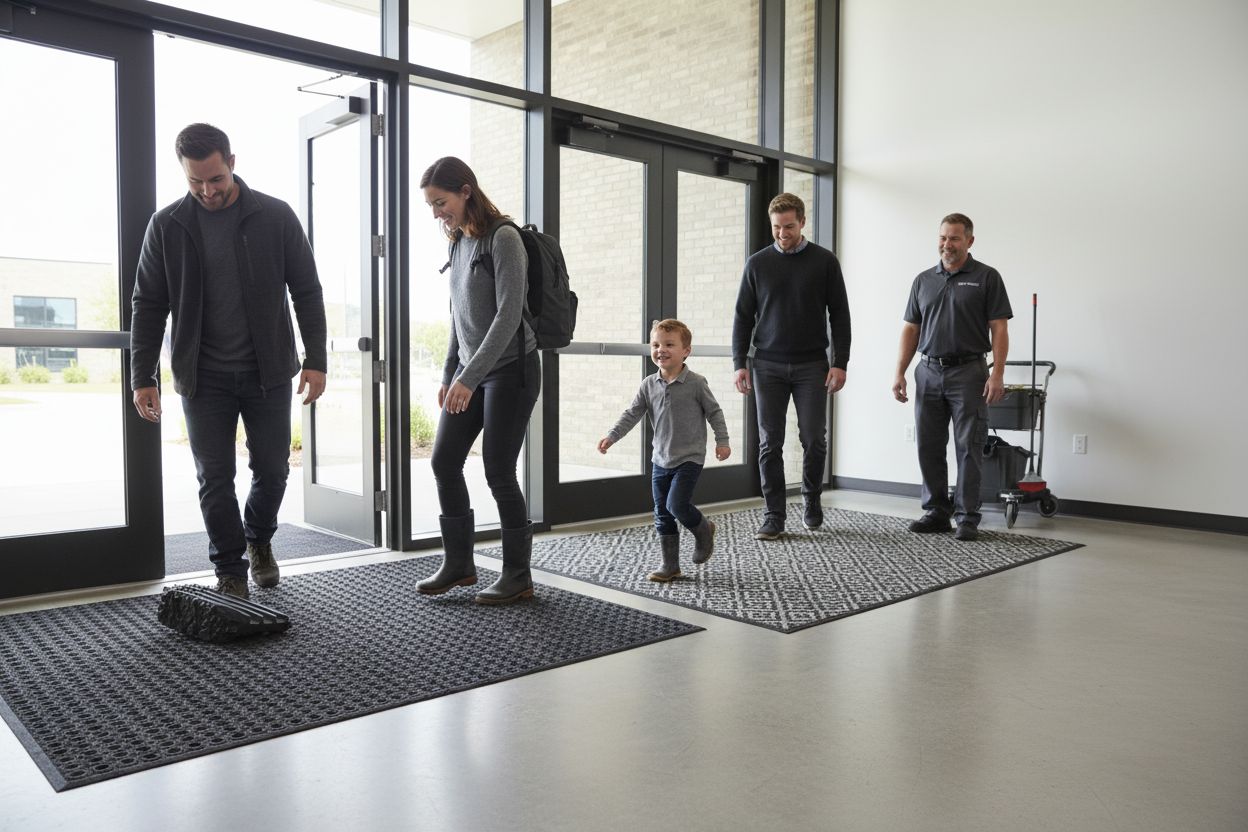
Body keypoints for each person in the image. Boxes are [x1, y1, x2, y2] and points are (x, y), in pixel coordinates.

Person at [131, 123, 327, 599]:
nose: (207, 190)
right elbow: (148, 303)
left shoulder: (275, 216)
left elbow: (306, 290)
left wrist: (316, 358)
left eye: (215, 179)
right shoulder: (168, 225)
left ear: (232, 163)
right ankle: (230, 569)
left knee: (274, 468)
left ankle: (258, 539)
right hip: (204, 378)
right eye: (195, 181)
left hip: (269, 372)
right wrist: (143, 375)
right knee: (214, 477)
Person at [416, 156, 541, 605]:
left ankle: (517, 576)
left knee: (498, 470)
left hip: (513, 371)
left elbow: (508, 316)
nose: (436, 213)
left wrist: (469, 377)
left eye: (441, 202)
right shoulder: (458, 244)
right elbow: (459, 318)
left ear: (466, 191)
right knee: (444, 461)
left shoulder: (503, 239)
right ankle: (459, 564)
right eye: (431, 205)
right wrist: (451, 374)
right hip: (473, 373)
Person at [732, 192, 851, 541]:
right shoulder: (756, 264)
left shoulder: (824, 262)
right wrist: (740, 363)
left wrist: (839, 363)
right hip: (766, 365)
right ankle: (774, 514)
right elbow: (742, 317)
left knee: (814, 438)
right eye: (776, 228)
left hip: (812, 364)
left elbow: (840, 315)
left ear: (802, 222)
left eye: (788, 226)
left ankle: (812, 499)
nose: (782, 234)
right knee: (770, 442)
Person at [892, 213, 1012, 542]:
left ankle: (967, 516)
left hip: (970, 372)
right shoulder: (923, 280)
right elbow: (911, 328)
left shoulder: (987, 278)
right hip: (928, 370)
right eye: (943, 237)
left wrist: (997, 372)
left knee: (969, 446)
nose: (947, 244)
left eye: (955, 238)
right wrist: (900, 371)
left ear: (969, 241)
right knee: (929, 445)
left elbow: (999, 327)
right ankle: (936, 511)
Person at [598, 320, 730, 582]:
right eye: (656, 344)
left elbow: (715, 413)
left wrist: (722, 441)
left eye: (669, 344)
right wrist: (612, 436)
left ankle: (703, 528)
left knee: (676, 504)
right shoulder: (648, 384)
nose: (661, 350)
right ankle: (670, 566)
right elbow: (632, 414)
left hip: (689, 457)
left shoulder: (696, 383)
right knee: (662, 512)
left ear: (686, 351)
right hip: (660, 458)